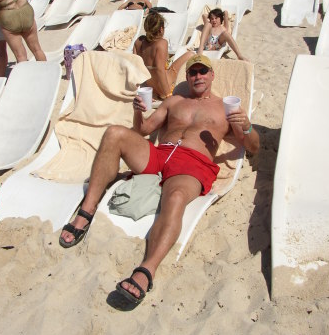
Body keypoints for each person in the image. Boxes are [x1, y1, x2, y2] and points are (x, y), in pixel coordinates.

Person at [59, 54, 260, 304]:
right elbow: (142, 130)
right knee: (113, 133)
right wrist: (137, 113)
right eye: (193, 72)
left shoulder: (226, 108)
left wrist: (248, 126)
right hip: (159, 154)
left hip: (192, 164)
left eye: (203, 71)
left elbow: (253, 147)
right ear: (187, 77)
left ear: (212, 75)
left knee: (175, 197)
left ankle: (146, 270)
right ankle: (86, 212)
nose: (198, 76)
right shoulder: (174, 101)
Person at [133, 11, 194, 99]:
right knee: (190, 54)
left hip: (151, 87)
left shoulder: (138, 41)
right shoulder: (161, 43)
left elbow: (135, 66)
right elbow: (159, 70)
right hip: (165, 87)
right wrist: (168, 94)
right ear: (161, 29)